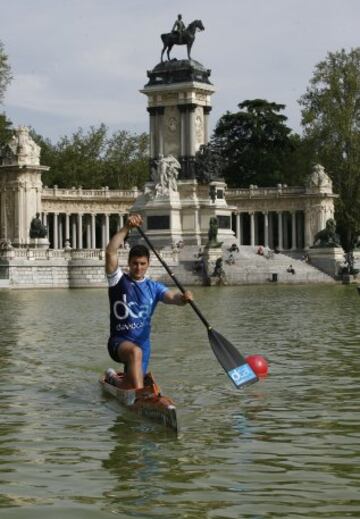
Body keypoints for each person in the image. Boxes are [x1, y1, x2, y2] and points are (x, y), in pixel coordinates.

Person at [105, 214, 193, 390]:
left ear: (148, 264)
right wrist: (126, 228)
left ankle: (114, 379)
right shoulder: (117, 280)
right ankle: (140, 397)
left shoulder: (154, 287)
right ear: (129, 263)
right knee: (134, 353)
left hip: (143, 345)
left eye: (142, 264)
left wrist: (183, 298)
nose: (138, 267)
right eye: (135, 263)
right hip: (119, 342)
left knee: (130, 383)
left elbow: (172, 297)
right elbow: (110, 252)